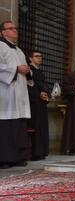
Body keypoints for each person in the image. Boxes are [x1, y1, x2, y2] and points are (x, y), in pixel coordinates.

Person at [0, 20, 30, 169]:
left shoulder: (19, 50)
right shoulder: (0, 46)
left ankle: (18, 157)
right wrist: (16, 69)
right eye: (10, 28)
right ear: (3, 32)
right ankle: (5, 159)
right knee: (6, 128)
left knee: (18, 126)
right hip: (6, 94)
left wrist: (27, 70)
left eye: (15, 28)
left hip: (19, 94)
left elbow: (25, 68)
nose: (15, 30)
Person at [27, 50, 49, 160]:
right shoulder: (29, 71)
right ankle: (36, 153)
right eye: (36, 56)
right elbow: (27, 88)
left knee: (42, 128)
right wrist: (38, 94)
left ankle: (42, 152)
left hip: (41, 104)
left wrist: (46, 95)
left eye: (40, 56)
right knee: (36, 127)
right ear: (30, 59)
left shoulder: (40, 72)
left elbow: (44, 86)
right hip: (33, 104)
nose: (39, 58)